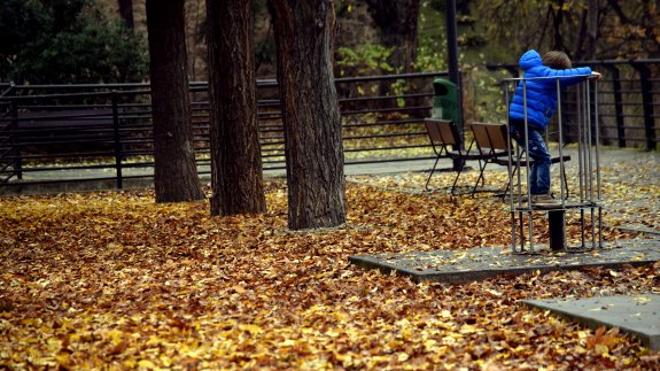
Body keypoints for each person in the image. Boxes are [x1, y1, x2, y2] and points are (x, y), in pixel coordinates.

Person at [508, 50, 600, 204]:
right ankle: (542, 194)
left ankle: (534, 193)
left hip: (520, 124)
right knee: (544, 158)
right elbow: (565, 76)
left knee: (539, 158)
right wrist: (588, 72)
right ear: (556, 69)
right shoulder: (543, 74)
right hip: (524, 125)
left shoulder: (533, 72)